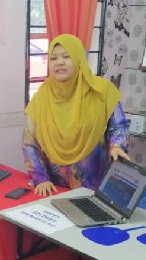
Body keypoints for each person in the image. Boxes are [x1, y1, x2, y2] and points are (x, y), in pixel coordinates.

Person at [23, 33, 130, 197]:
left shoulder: (101, 91)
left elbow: (118, 126)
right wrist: (40, 178)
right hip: (55, 190)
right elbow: (29, 143)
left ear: (79, 59)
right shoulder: (40, 99)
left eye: (66, 57)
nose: (59, 62)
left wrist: (117, 146)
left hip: (93, 190)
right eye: (53, 58)